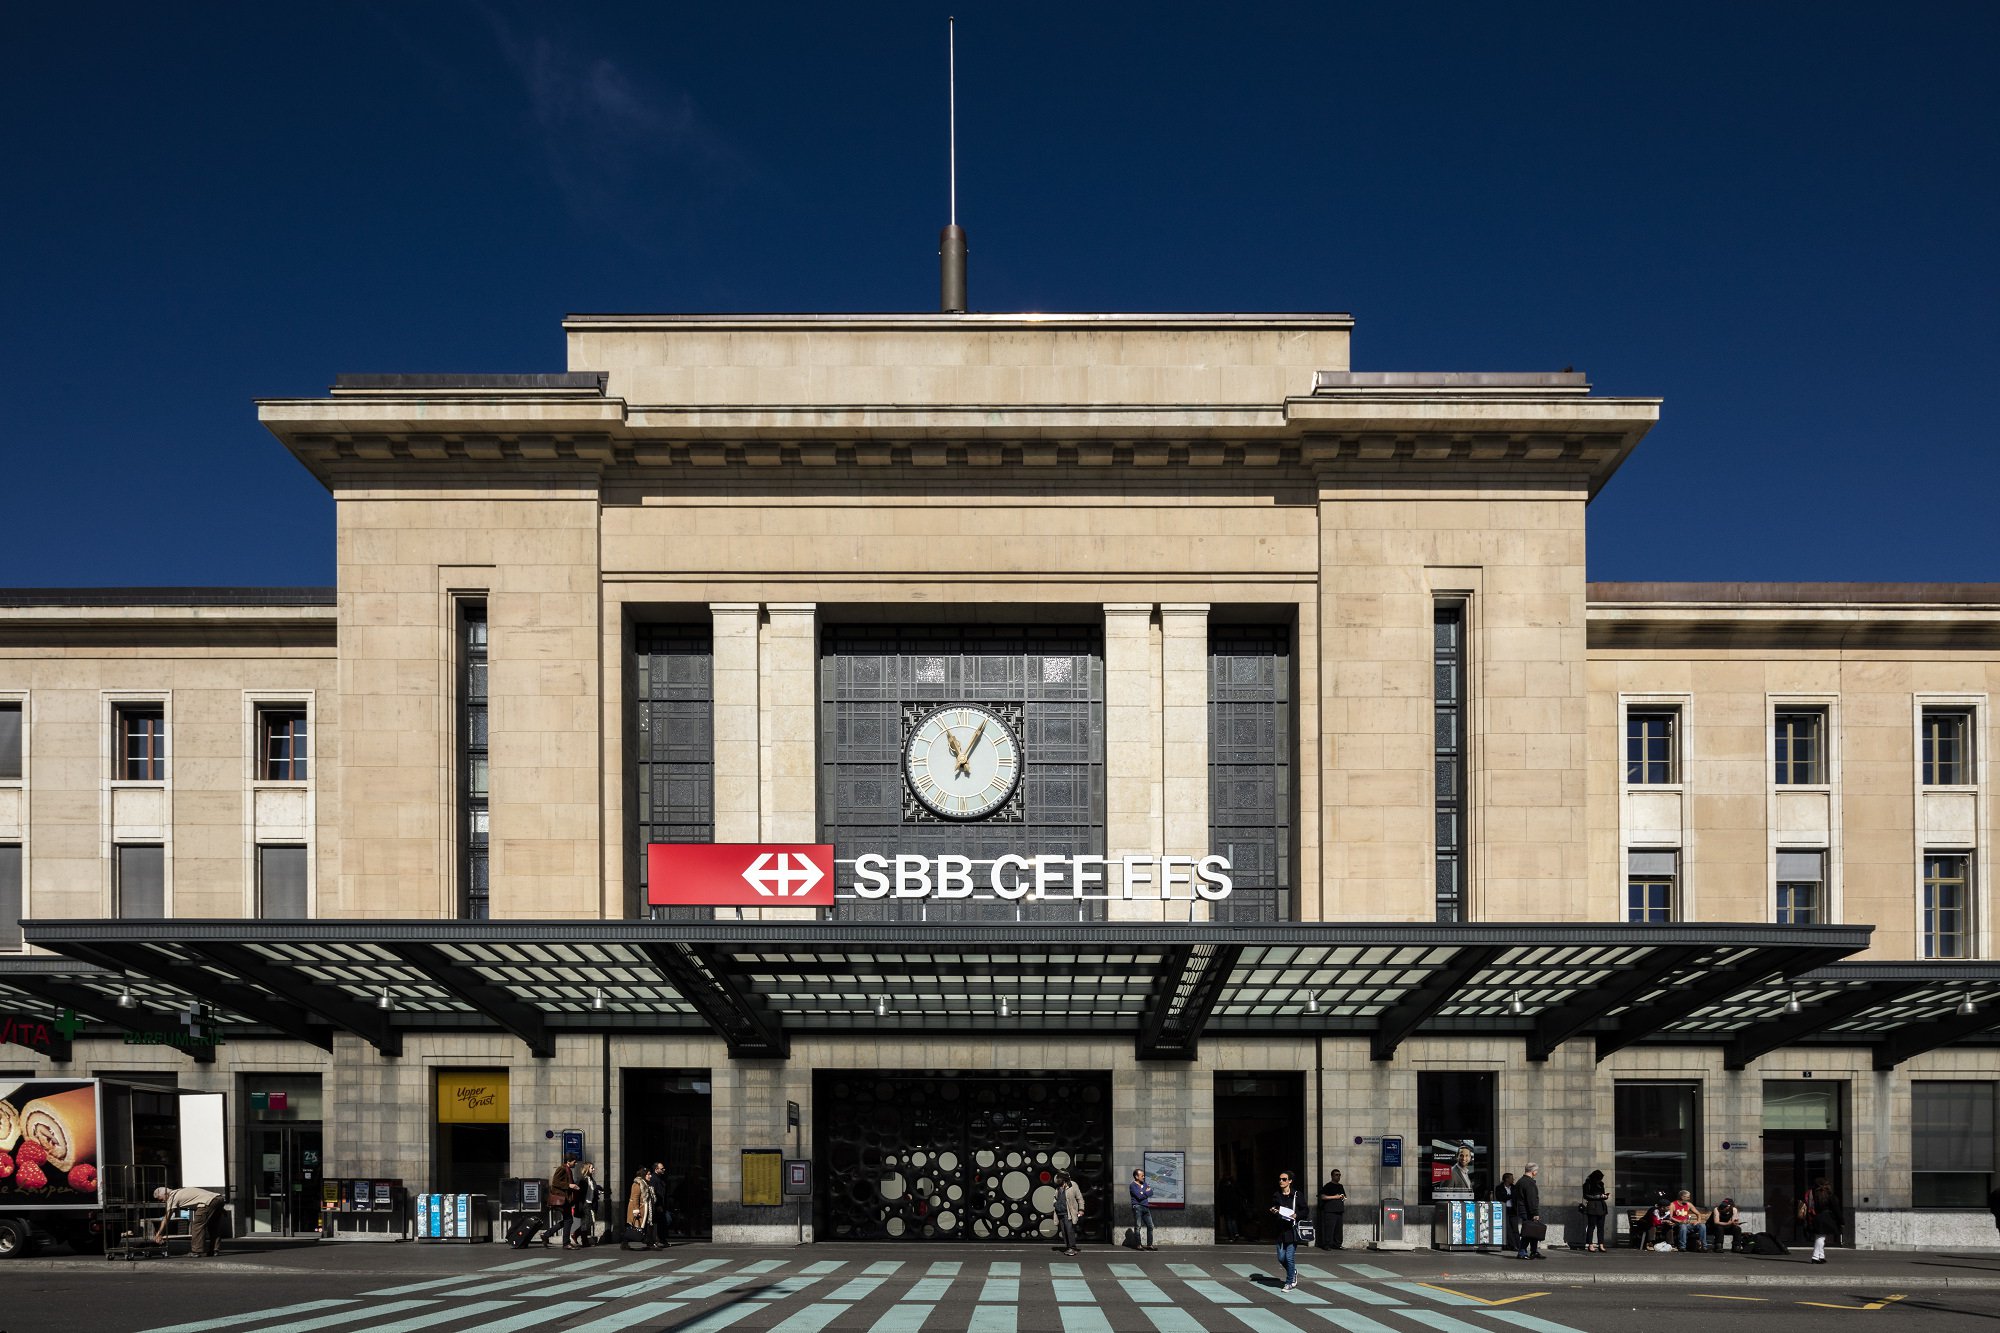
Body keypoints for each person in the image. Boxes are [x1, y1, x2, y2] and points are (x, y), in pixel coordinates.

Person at [151, 1183, 224, 1257]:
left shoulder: (172, 1197)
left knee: (197, 1226)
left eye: (160, 1199)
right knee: (213, 1226)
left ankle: (196, 1251)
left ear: (166, 1194)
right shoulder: (179, 1191)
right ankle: (214, 1250)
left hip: (207, 1202)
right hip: (218, 1198)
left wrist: (159, 1233)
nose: (162, 1201)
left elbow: (167, 1217)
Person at [1269, 1169, 1303, 1291]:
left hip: (1291, 1230)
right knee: (1281, 1258)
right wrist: (1273, 1210)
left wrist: (1296, 1215)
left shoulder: (1297, 1195)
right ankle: (1293, 1271)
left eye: (1284, 1179)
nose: (1281, 1181)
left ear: (1290, 1181)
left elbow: (1305, 1210)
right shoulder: (1276, 1195)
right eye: (1280, 1179)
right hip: (1280, 1230)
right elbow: (1274, 1207)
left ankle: (1289, 1282)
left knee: (1289, 1257)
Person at [1807, 1178, 1844, 1264]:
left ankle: (1821, 1255)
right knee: (1821, 1238)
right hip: (1827, 1217)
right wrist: (1841, 1221)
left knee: (1820, 1237)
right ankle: (1815, 1257)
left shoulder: (1813, 1195)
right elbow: (1836, 1210)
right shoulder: (1830, 1196)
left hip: (1817, 1217)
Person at [1513, 1162, 1544, 1261]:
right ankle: (1522, 1252)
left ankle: (1534, 1251)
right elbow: (1531, 1200)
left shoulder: (1520, 1181)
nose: (1537, 1173)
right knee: (1528, 1232)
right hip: (1528, 1211)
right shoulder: (1529, 1183)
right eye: (1536, 1171)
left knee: (1533, 1231)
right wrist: (1535, 1213)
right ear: (1533, 1171)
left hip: (1522, 1210)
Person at [624, 1166, 654, 1250]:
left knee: (644, 1226)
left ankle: (649, 1242)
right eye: (648, 1174)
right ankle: (625, 1241)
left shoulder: (646, 1184)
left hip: (645, 1209)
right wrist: (636, 1210)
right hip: (639, 1209)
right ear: (644, 1175)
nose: (650, 1176)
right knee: (635, 1227)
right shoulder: (637, 1184)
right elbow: (635, 1197)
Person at [1054, 1170, 1084, 1256]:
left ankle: (1072, 1248)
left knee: (1069, 1230)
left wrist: (1081, 1209)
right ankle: (1068, 1247)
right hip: (1060, 1213)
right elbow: (1055, 1197)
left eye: (1060, 1179)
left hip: (1069, 1213)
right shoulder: (1058, 1187)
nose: (1059, 1181)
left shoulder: (1073, 1185)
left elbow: (1080, 1198)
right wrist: (1055, 1204)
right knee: (1064, 1231)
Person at [571, 1161, 601, 1246]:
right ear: (587, 1169)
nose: (594, 1169)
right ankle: (584, 1241)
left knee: (588, 1223)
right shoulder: (582, 1179)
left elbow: (592, 1190)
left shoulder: (591, 1179)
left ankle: (576, 1234)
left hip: (590, 1203)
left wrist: (598, 1191)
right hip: (584, 1203)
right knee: (586, 1223)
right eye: (592, 1168)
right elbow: (578, 1192)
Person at [551, 1154, 577, 1248]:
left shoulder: (568, 1169)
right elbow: (555, 1182)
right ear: (568, 1161)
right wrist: (569, 1185)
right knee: (569, 1220)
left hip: (566, 1199)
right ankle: (566, 1243)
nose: (576, 1163)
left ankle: (546, 1235)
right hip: (562, 1199)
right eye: (574, 1161)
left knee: (567, 1220)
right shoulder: (561, 1169)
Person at [1580, 1170, 1609, 1252]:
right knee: (1591, 1226)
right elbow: (1586, 1196)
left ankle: (1601, 1244)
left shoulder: (1601, 1184)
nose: (1600, 1180)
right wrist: (1598, 1197)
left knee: (1601, 1227)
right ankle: (1590, 1244)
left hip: (1601, 1206)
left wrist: (1604, 1196)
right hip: (1592, 1207)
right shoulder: (1587, 1184)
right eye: (1599, 1178)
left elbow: (1602, 1193)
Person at [1317, 1169, 1346, 1250]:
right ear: (1332, 1176)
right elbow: (1322, 1196)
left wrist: (1342, 1197)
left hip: (1339, 1210)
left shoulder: (1340, 1186)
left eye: (1339, 1175)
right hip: (1330, 1211)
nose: (1338, 1176)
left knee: (1338, 1229)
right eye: (1336, 1175)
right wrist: (1335, 1197)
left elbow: (1344, 1196)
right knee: (1329, 1228)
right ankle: (1327, 1244)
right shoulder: (1328, 1186)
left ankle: (1337, 1244)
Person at [1129, 1167, 1157, 1251]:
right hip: (1137, 1207)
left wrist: (1143, 1192)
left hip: (1146, 1207)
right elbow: (1139, 1196)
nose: (1143, 1177)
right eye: (1142, 1175)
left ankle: (1149, 1245)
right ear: (1136, 1177)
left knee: (1150, 1226)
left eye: (1144, 1175)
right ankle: (1138, 1245)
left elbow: (1151, 1192)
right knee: (1138, 1226)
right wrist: (1146, 1192)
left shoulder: (1144, 1184)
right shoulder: (1132, 1185)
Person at [1494, 1172, 1518, 1255]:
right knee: (1508, 1229)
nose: (1513, 1179)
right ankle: (1513, 1245)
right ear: (1507, 1179)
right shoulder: (1499, 1188)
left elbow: (1516, 1197)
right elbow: (1500, 1198)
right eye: (1511, 1178)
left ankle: (1517, 1245)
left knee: (1515, 1229)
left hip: (1513, 1209)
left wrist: (1508, 1196)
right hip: (1504, 1209)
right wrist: (1510, 1196)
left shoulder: (1514, 1188)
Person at [1218, 1173, 1246, 1243]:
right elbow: (1241, 1193)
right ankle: (1236, 1233)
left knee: (1228, 1221)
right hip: (1234, 1205)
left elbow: (1219, 1196)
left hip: (1226, 1205)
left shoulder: (1222, 1185)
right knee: (1233, 1220)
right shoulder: (1234, 1184)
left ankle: (1231, 1236)